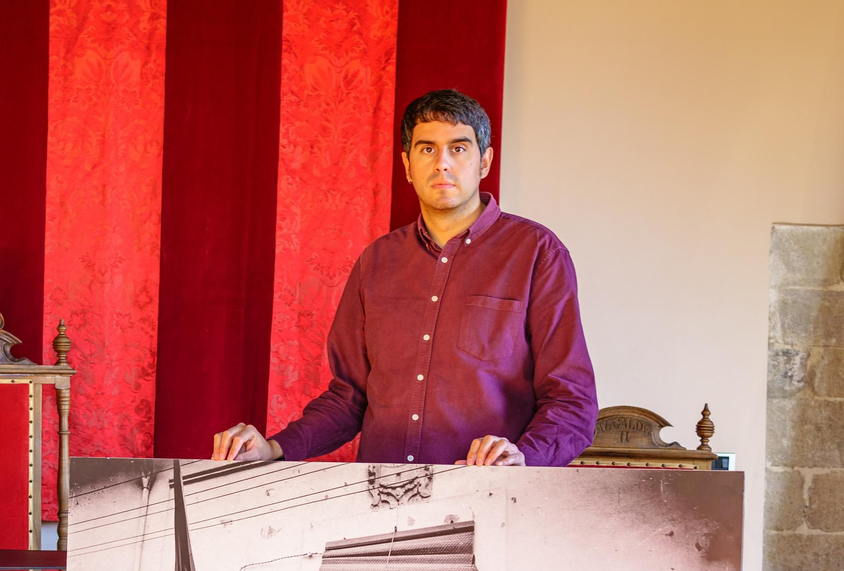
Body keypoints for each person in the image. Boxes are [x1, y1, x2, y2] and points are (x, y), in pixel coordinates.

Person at [211, 88, 597, 469]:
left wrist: (523, 459)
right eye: (427, 149)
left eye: (459, 148)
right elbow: (350, 398)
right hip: (381, 503)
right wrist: (275, 448)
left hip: (489, 500)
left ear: (485, 162)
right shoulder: (376, 262)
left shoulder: (536, 253)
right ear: (407, 165)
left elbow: (572, 403)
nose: (442, 163)